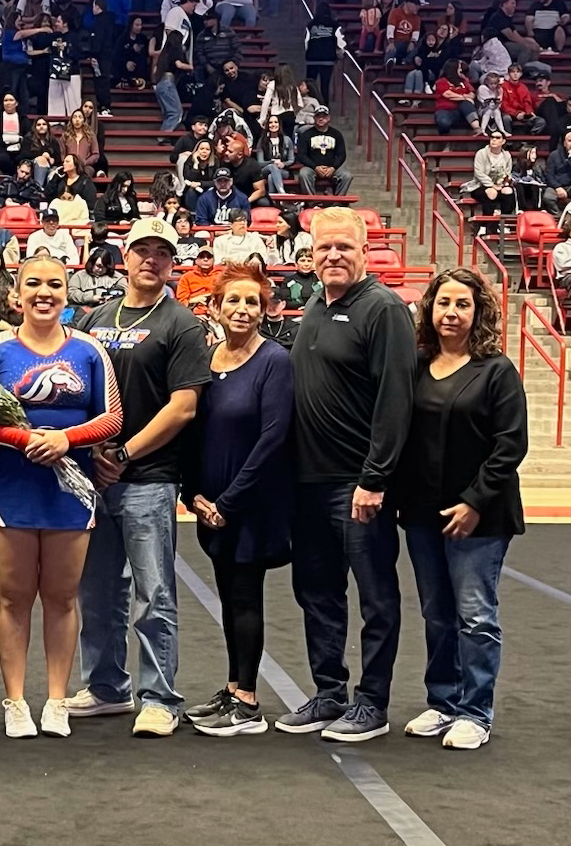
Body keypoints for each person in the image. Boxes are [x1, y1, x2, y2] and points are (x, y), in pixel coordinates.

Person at [0, 255, 123, 738]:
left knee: (61, 595)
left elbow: (112, 418)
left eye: (55, 283)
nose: (44, 292)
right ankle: (15, 701)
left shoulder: (90, 350)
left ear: (67, 292)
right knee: (14, 597)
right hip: (11, 488)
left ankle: (56, 699)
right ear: (17, 293)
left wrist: (65, 441)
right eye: (33, 283)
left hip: (69, 489)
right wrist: (24, 441)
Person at [276, 207, 416, 742]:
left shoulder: (382, 309)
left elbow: (396, 401)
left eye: (344, 247)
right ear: (309, 253)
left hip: (357, 484)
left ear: (364, 251)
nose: (333, 256)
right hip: (308, 484)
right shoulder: (314, 302)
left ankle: (373, 703)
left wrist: (375, 478)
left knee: (376, 596)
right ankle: (329, 692)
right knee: (317, 594)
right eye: (323, 248)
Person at [69, 217, 210, 737]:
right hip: (93, 478)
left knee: (153, 591)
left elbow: (184, 407)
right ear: (124, 257)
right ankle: (107, 687)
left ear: (172, 262)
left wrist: (124, 453)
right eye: (142, 250)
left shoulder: (181, 323)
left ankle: (160, 697)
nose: (151, 259)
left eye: (162, 252)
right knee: (97, 590)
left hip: (148, 478)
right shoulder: (96, 318)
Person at [396, 268, 527, 751]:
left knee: (475, 614)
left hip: (480, 515)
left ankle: (476, 710)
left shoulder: (496, 370)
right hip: (423, 513)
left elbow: (511, 446)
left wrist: (474, 501)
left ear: (479, 312)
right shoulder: (416, 365)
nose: (451, 312)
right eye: (443, 303)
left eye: (463, 304)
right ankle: (443, 701)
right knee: (436, 612)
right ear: (429, 308)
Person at [179, 263, 293, 736]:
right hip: (212, 506)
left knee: (245, 596)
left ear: (264, 309)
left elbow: (273, 438)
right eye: (234, 301)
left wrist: (229, 501)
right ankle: (233, 687)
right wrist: (195, 495)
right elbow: (192, 432)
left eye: (252, 302)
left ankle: (246, 701)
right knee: (229, 597)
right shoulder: (206, 360)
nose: (242, 309)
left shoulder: (275, 361)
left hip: (250, 504)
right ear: (215, 307)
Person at [296, 106, 353, 196]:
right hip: (312, 168)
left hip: (331, 168)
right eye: (318, 116)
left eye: (324, 116)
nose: (321, 118)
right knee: (303, 174)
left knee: (347, 176)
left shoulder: (336, 134)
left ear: (329, 118)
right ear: (314, 118)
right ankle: (312, 203)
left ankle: (337, 202)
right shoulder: (306, 134)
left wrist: (333, 167)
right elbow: (302, 155)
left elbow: (342, 155)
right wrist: (315, 167)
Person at [462, 131, 516, 218]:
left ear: (503, 141)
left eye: (497, 138)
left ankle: (505, 222)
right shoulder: (481, 153)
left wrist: (503, 183)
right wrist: (492, 185)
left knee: (508, 191)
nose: (494, 140)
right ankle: (486, 224)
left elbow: (507, 173)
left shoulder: (506, 155)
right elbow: (479, 173)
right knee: (491, 193)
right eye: (492, 137)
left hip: (499, 185)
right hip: (480, 185)